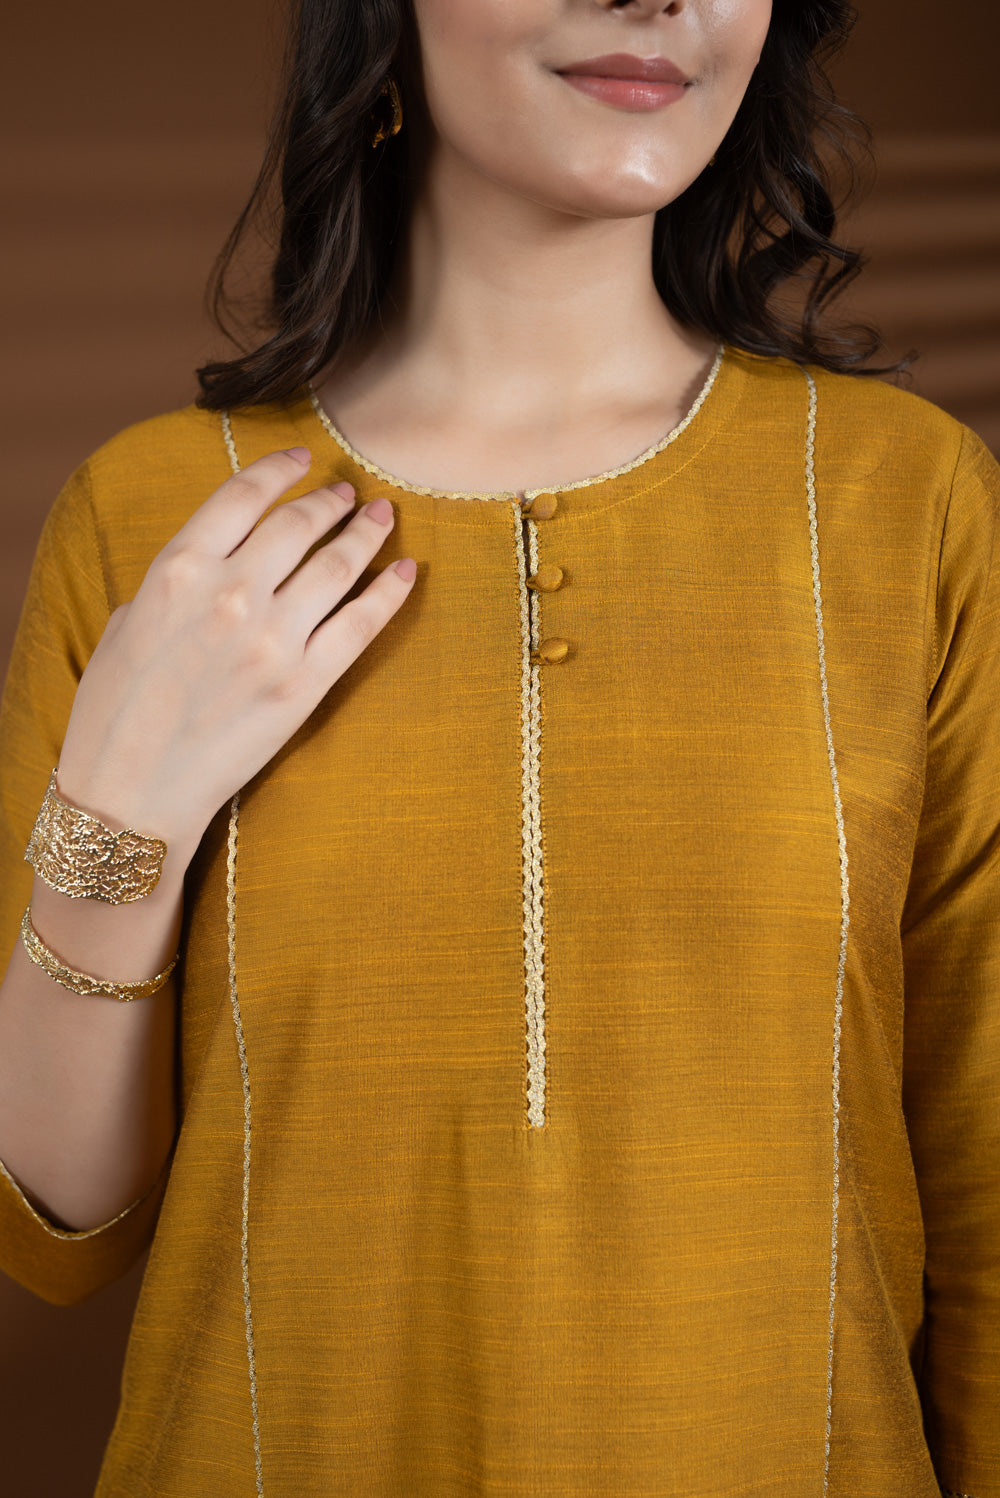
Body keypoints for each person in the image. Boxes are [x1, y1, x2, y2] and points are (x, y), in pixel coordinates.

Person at [0, 0, 996, 1493]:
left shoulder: (905, 504)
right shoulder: (158, 520)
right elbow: (57, 1230)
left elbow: (986, 1184)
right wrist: (122, 812)